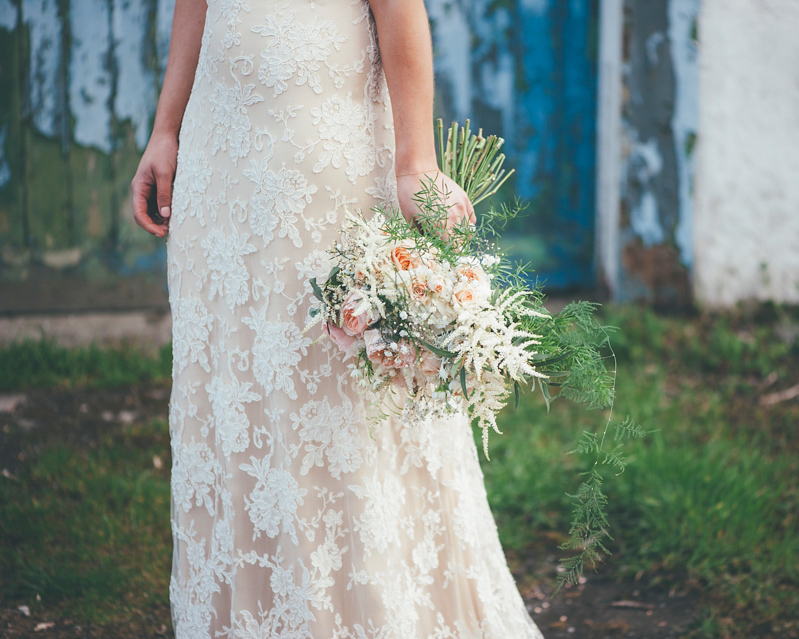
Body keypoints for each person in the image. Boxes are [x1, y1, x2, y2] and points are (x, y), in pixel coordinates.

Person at [131, 1, 544, 637]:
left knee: (335, 402)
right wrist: (166, 128)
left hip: (322, 171)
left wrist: (414, 164)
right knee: (236, 404)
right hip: (220, 170)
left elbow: (403, 15)